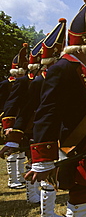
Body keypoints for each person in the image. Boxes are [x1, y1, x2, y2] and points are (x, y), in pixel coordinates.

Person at [24, 0, 86, 217]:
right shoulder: (63, 68)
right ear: (81, 48)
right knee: (80, 193)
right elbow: (47, 111)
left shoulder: (81, 71)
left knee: (84, 195)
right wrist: (42, 158)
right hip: (72, 145)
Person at [0, 18, 67, 209]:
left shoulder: (45, 79)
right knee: (32, 161)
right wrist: (11, 128)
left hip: (41, 126)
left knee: (35, 162)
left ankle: (35, 197)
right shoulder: (31, 82)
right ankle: (34, 196)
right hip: (33, 127)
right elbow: (17, 105)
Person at [1, 43, 30, 189]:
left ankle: (20, 177)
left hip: (21, 119)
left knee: (22, 150)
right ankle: (12, 180)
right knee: (11, 151)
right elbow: (6, 104)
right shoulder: (6, 84)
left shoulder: (24, 83)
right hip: (10, 120)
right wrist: (7, 123)